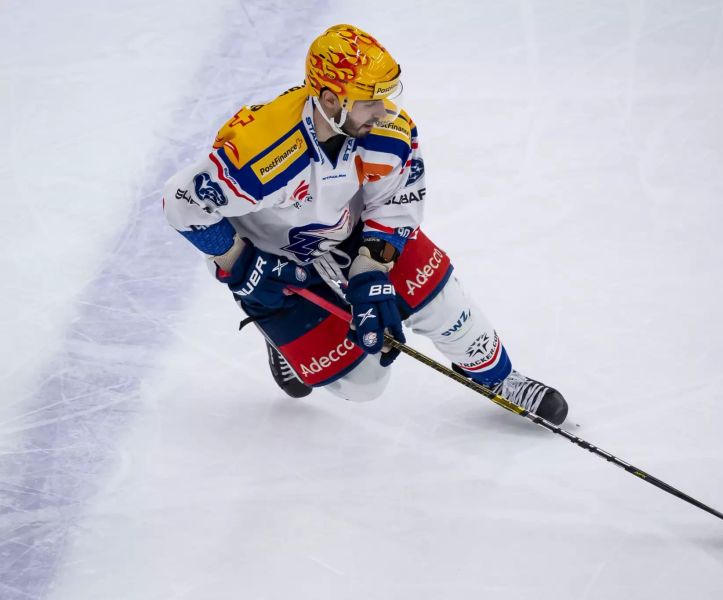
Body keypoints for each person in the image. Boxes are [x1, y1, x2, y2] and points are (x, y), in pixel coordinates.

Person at [162, 24, 568, 425]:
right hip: (273, 261)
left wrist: (369, 270)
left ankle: (501, 379)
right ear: (330, 100)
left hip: (349, 231)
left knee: (445, 306)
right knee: (365, 383)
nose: (385, 112)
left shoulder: (388, 132)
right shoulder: (261, 153)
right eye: (370, 102)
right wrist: (241, 262)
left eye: (386, 98)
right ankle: (282, 341)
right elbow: (182, 203)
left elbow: (394, 204)